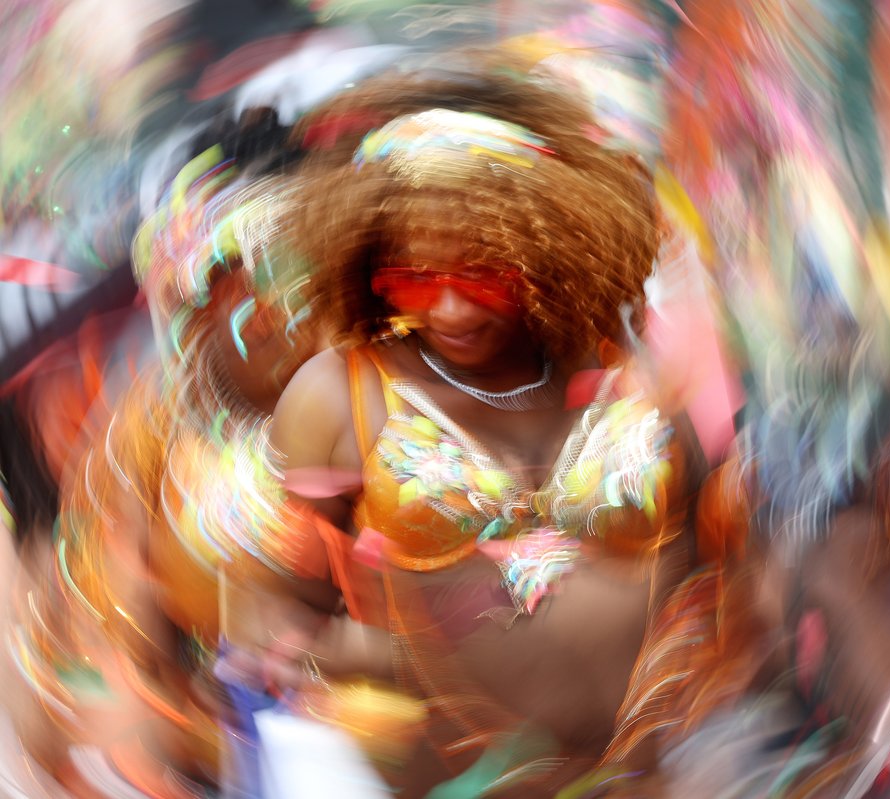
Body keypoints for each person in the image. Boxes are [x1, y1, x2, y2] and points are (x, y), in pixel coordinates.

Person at [262, 66, 753, 794]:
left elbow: (719, 556)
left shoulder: (628, 376)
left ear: (544, 248)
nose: (452, 309)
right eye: (417, 276)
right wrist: (368, 685)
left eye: (482, 272)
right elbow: (283, 603)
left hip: (652, 775)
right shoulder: (341, 394)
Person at [9, 108, 324, 796]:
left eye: (276, 275)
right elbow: (102, 641)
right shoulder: (150, 422)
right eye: (214, 282)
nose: (254, 313)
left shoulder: (396, 395)